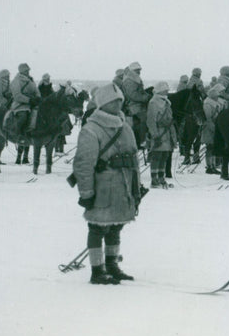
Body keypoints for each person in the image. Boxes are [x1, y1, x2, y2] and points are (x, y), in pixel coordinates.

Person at [73, 83, 142, 285]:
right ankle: (97, 270)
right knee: (97, 228)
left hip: (124, 185)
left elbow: (134, 160)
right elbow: (84, 165)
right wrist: (86, 193)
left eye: (120, 101)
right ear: (103, 104)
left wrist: (136, 187)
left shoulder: (125, 126)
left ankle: (112, 266)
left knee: (116, 227)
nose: (118, 104)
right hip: (102, 186)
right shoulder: (91, 129)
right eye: (113, 101)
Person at [146, 82, 178, 188]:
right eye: (165, 90)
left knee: (164, 156)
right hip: (159, 133)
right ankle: (154, 179)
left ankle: (161, 177)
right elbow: (151, 120)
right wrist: (154, 135)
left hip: (167, 132)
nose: (167, 92)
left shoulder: (166, 102)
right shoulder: (153, 103)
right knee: (156, 156)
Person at [10, 62, 41, 163]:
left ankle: (26, 156)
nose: (28, 72)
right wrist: (29, 100)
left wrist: (37, 98)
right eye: (26, 70)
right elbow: (17, 95)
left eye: (28, 70)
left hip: (32, 104)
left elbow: (36, 91)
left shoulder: (30, 80)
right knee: (23, 117)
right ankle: (18, 135)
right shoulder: (16, 81)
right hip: (20, 105)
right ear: (21, 71)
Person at [120, 61, 151, 147]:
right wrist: (145, 98)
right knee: (144, 118)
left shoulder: (134, 79)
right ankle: (143, 140)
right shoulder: (129, 81)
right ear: (133, 71)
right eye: (137, 70)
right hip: (133, 105)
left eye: (139, 70)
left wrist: (148, 95)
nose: (139, 72)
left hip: (139, 104)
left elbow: (140, 92)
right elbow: (132, 95)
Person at [202, 84, 224, 174]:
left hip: (215, 127)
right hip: (209, 128)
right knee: (210, 148)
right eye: (216, 96)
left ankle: (213, 165)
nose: (217, 98)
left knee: (213, 147)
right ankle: (209, 167)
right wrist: (215, 129)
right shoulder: (207, 104)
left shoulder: (215, 103)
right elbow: (208, 119)